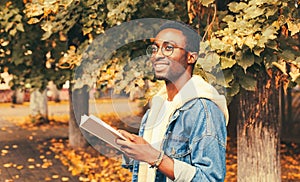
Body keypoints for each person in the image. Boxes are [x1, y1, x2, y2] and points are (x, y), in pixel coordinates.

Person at [116, 21, 229, 182]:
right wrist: (131, 149)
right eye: (155, 48)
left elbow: (210, 179)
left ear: (191, 57)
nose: (158, 55)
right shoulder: (156, 110)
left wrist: (155, 157)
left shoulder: (203, 109)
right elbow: (149, 169)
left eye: (168, 48)